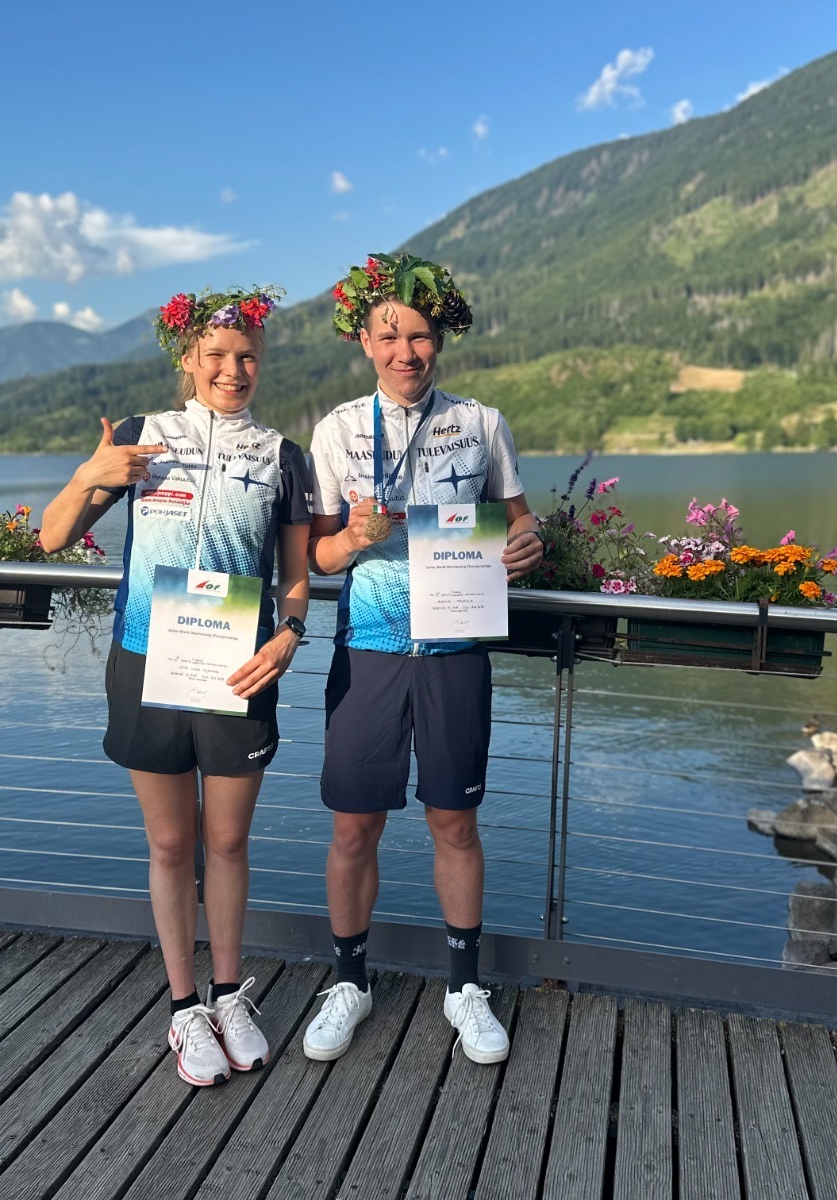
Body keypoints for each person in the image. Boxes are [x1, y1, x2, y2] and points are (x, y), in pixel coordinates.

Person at [40, 286, 312, 1087]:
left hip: (239, 666)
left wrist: (290, 635)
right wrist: (91, 473)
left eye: (248, 357)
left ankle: (229, 996)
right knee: (169, 843)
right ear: (188, 359)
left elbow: (295, 577)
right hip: (146, 662)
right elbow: (52, 536)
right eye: (217, 355)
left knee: (226, 842)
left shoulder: (282, 456)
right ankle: (185, 1006)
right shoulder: (140, 437)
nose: (234, 369)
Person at [301, 253, 542, 1065]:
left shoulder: (481, 423)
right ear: (365, 343)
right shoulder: (336, 430)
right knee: (353, 828)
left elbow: (520, 520)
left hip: (454, 649)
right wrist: (350, 539)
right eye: (390, 336)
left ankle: (464, 989)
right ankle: (350, 983)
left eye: (420, 336)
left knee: (455, 822)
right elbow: (316, 557)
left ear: (439, 340)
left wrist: (528, 543)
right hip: (368, 649)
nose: (406, 352)